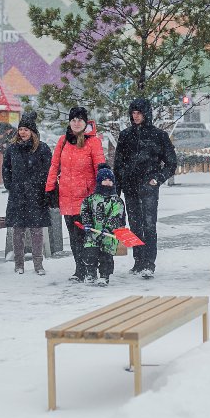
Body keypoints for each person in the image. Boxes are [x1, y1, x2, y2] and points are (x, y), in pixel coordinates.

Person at [113, 97, 178, 279]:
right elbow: (118, 164)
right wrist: (116, 191)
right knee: (135, 226)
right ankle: (138, 261)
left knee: (149, 225)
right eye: (133, 113)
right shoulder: (125, 136)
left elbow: (171, 163)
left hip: (149, 187)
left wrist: (157, 178)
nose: (135, 116)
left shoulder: (159, 136)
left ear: (146, 114)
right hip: (130, 187)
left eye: (139, 113)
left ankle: (149, 263)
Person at [45, 106, 105, 282]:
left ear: (85, 122)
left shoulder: (93, 142)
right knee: (73, 237)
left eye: (79, 119)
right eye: (73, 120)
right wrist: (49, 189)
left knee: (88, 236)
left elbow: (100, 168)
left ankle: (91, 269)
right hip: (66, 197)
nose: (76, 122)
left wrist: (104, 191)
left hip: (87, 198)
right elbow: (54, 166)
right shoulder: (62, 141)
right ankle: (79, 270)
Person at [2, 111, 51, 274]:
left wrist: (42, 187)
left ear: (33, 132)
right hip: (18, 194)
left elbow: (48, 170)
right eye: (21, 129)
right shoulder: (12, 149)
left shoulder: (42, 148)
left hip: (36, 195)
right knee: (18, 229)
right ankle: (19, 264)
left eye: (26, 129)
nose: (22, 132)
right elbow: (6, 169)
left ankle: (38, 264)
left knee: (37, 230)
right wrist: (10, 185)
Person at [79, 164, 126, 286]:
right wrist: (87, 223)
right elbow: (85, 210)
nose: (108, 182)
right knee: (89, 253)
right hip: (92, 233)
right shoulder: (91, 199)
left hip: (108, 235)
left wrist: (109, 228)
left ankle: (104, 276)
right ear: (99, 182)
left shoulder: (116, 201)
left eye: (110, 180)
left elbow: (117, 215)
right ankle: (90, 273)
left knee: (106, 257)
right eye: (105, 180)